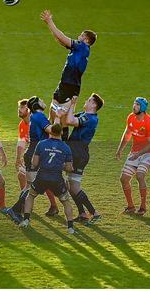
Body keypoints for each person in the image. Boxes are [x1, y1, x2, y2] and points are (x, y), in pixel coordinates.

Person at [40, 9, 96, 140]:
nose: (79, 36)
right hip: (64, 84)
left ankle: (61, 145)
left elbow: (62, 37)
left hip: (71, 87)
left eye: (82, 35)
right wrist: (49, 26)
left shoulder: (83, 47)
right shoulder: (78, 49)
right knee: (53, 116)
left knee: (62, 121)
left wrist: (50, 21)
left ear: (86, 39)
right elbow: (60, 40)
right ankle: (46, 143)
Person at [7, 96, 59, 222]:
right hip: (36, 154)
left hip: (33, 153)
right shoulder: (38, 116)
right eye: (40, 100)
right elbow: (52, 131)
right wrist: (58, 119)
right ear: (36, 104)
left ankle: (17, 210)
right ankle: (15, 210)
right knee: (32, 186)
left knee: (30, 185)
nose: (43, 101)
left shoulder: (35, 116)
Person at [18, 123, 76, 234]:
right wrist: (60, 165)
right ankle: (70, 228)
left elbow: (34, 163)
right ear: (61, 133)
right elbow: (69, 168)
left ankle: (25, 220)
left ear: (50, 132)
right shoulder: (66, 147)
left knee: (31, 195)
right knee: (66, 202)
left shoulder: (41, 144)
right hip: (57, 179)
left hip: (42, 176)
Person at [115, 97, 150, 216]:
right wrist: (120, 150)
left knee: (140, 175)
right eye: (134, 104)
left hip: (148, 153)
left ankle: (143, 206)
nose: (134, 106)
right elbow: (127, 134)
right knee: (123, 179)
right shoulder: (131, 117)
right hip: (135, 152)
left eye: (137, 105)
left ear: (143, 108)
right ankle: (130, 206)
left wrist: (138, 154)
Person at [66, 94, 103, 225]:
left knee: (74, 187)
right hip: (76, 153)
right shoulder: (85, 115)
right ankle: (82, 213)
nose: (86, 101)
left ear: (94, 105)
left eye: (89, 100)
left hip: (78, 154)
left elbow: (70, 121)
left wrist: (72, 104)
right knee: (71, 187)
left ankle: (95, 213)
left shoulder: (90, 118)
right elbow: (68, 118)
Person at [16, 99, 30, 190]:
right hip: (32, 154)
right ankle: (23, 201)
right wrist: (18, 158)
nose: (19, 109)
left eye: (22, 107)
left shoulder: (35, 123)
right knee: (21, 175)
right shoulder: (22, 124)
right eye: (19, 107)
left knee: (46, 183)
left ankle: (54, 204)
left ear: (29, 110)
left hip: (42, 155)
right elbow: (21, 141)